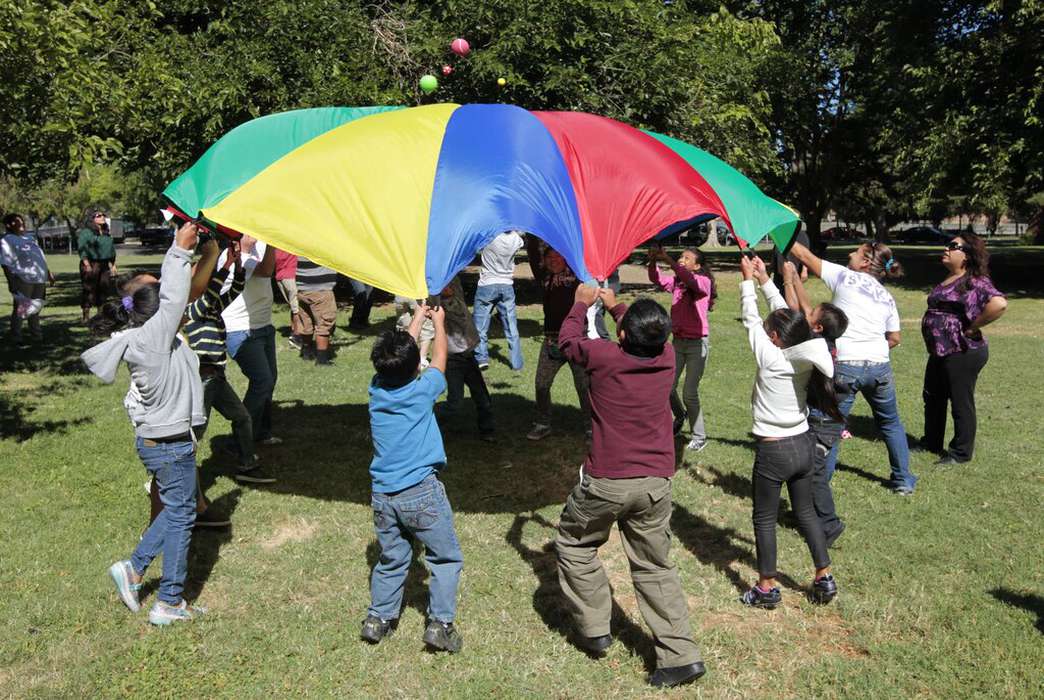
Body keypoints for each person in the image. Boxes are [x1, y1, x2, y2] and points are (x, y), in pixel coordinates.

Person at [554, 285, 705, 689]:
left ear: (621, 335)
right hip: (656, 483)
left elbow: (568, 340)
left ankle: (595, 628)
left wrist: (582, 302)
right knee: (655, 565)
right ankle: (680, 657)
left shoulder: (602, 357)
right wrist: (613, 303)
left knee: (574, 544)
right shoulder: (668, 357)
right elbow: (640, 333)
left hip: (607, 482)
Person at [82, 222, 206, 625]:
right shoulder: (152, 339)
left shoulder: (148, 338)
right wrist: (178, 249)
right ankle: (169, 601)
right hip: (169, 444)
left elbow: (174, 301)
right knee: (182, 515)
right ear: (158, 317)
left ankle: (134, 569)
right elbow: (173, 297)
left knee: (178, 510)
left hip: (161, 441)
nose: (179, 311)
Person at [737, 253, 841, 609]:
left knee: (764, 518)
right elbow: (792, 322)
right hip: (803, 443)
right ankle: (823, 575)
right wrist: (765, 280)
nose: (765, 332)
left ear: (775, 338)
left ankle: (767, 587)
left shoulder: (769, 357)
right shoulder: (802, 354)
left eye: (771, 332)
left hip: (775, 450)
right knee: (806, 513)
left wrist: (747, 283)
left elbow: (751, 319)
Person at [361, 302, 464, 653]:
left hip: (383, 495)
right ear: (412, 368)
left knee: (393, 558)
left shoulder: (376, 391)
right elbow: (440, 361)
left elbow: (402, 352)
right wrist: (439, 323)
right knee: (445, 558)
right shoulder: (423, 391)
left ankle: (378, 619)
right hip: (421, 491)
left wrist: (418, 316)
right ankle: (440, 625)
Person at [788, 240, 918, 495]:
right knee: (890, 423)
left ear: (866, 261)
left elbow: (803, 253)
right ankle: (903, 479)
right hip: (880, 367)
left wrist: (777, 228)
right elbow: (895, 338)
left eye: (855, 251)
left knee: (831, 425)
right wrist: (873, 352)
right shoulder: (887, 296)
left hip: (846, 365)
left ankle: (819, 488)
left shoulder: (844, 276)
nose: (849, 253)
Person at [756, 258, 850, 547]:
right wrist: (793, 278)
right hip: (826, 417)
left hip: (823, 421)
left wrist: (780, 282)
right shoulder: (821, 341)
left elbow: (791, 312)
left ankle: (829, 525)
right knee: (811, 470)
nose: (807, 315)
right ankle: (808, 515)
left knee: (817, 473)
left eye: (812, 317)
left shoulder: (809, 342)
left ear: (817, 327)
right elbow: (804, 310)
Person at [184, 239, 274, 485]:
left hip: (217, 377)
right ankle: (174, 474)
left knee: (242, 417)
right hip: (203, 378)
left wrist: (237, 266)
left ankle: (247, 464)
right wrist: (224, 266)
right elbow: (213, 291)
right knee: (196, 431)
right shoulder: (190, 310)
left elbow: (234, 290)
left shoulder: (211, 309)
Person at [920, 233, 1007, 465]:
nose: (946, 248)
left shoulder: (975, 281)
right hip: (939, 350)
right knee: (933, 396)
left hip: (962, 350)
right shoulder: (951, 277)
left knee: (960, 402)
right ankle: (931, 441)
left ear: (967, 255)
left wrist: (973, 326)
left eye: (953, 246)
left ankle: (960, 453)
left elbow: (999, 303)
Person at [647, 244, 716, 452]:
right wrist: (652, 260)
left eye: (687, 258)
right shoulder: (678, 282)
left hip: (697, 344)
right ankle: (680, 415)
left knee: (689, 392)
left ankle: (699, 436)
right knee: (667, 385)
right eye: (681, 257)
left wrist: (667, 258)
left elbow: (688, 279)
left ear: (697, 265)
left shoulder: (702, 281)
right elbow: (656, 279)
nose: (682, 260)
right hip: (678, 341)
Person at [524, 235, 591, 441]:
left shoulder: (577, 275)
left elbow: (579, 248)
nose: (554, 260)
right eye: (549, 257)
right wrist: (532, 232)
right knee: (541, 384)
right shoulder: (544, 276)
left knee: (584, 386)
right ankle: (543, 423)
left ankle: (591, 426)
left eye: (558, 256)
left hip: (577, 339)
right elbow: (534, 253)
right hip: (552, 341)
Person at [220, 236, 281, 444]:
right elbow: (265, 271)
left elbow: (269, 267)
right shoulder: (231, 257)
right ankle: (239, 438)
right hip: (240, 330)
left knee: (269, 380)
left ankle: (261, 432)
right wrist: (271, 241)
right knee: (262, 381)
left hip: (263, 327)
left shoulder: (259, 247)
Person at [437, 276, 495, 440]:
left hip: (469, 356)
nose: (449, 287)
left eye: (450, 284)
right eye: (445, 285)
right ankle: (430, 424)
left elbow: (453, 269)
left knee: (483, 398)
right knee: (455, 403)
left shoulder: (458, 295)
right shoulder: (438, 307)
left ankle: (487, 430)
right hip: (453, 359)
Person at [472, 231, 525, 371]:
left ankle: (481, 358)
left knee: (480, 326)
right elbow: (521, 238)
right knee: (511, 325)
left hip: (487, 284)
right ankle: (517, 362)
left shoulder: (488, 235)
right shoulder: (516, 239)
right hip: (507, 284)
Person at [1, 214, 54, 342]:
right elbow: (5, 263)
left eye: (22, 220)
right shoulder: (7, 240)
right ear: (9, 225)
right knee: (21, 310)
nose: (22, 223)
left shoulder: (29, 238)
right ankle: (16, 337)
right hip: (24, 279)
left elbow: (39, 257)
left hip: (39, 278)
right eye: (17, 221)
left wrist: (48, 273)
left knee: (35, 308)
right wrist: (11, 282)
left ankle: (36, 336)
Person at [294, 256, 338, 365]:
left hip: (301, 287)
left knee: (306, 322)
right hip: (320, 288)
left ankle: (306, 352)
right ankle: (322, 360)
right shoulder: (322, 242)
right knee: (324, 323)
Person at [77, 209, 117, 323]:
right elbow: (82, 248)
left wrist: (113, 264)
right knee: (89, 289)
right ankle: (86, 317)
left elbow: (111, 249)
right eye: (98, 215)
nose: (102, 217)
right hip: (91, 264)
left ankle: (100, 315)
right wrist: (87, 265)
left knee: (103, 289)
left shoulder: (106, 232)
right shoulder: (86, 232)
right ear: (92, 219)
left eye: (103, 215)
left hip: (104, 264)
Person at [273, 248, 304, 349]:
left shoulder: (275, 244)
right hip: (290, 275)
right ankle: (297, 337)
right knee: (297, 309)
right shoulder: (289, 242)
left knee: (293, 306)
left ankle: (293, 332)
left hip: (280, 276)